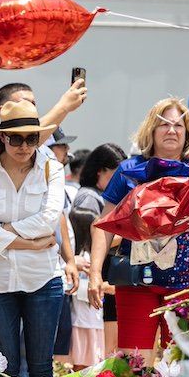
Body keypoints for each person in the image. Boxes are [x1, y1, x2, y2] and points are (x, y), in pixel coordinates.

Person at [88, 98, 189, 355]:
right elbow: (103, 226)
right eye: (163, 124)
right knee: (133, 367)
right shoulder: (128, 171)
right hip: (136, 283)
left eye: (178, 125)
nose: (171, 130)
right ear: (151, 131)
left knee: (179, 368)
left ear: (187, 133)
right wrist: (94, 274)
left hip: (186, 285)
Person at [0, 99, 76, 377]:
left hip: (43, 278)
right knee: (5, 367)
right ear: (3, 137)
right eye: (16, 138)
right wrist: (28, 243)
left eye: (31, 138)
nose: (24, 146)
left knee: (42, 368)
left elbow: (49, 220)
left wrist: (0, 231)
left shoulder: (51, 168)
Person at [73, 143, 125, 352]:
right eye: (116, 175)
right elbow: (91, 240)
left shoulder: (99, 197)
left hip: (103, 275)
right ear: (100, 171)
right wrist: (126, 236)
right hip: (93, 276)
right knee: (100, 348)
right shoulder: (89, 198)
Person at [0, 80, 86, 167]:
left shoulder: (45, 153)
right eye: (16, 140)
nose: (25, 146)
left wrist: (64, 108)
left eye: (32, 139)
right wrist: (63, 107)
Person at [67, 208, 103, 369]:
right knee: (88, 364)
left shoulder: (79, 257)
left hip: (83, 318)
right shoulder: (83, 258)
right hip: (88, 318)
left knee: (81, 363)